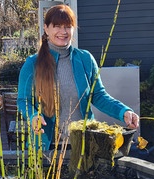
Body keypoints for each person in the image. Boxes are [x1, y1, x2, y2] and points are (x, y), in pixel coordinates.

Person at [17, 4, 139, 150]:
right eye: (57, 26)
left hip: (84, 146)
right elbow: (23, 100)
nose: (63, 32)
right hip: (46, 147)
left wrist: (123, 111)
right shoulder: (32, 63)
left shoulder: (85, 59)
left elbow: (99, 96)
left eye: (68, 26)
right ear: (46, 28)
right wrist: (32, 116)